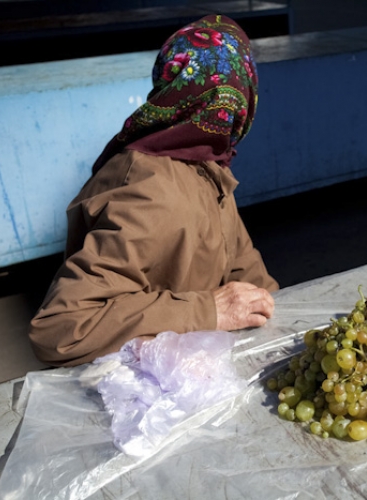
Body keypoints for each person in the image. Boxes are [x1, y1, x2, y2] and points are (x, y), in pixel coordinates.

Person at [29, 15, 278, 367]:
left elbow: (248, 274)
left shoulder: (209, 167)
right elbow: (63, 327)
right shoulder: (152, 188)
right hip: (140, 400)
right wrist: (209, 310)